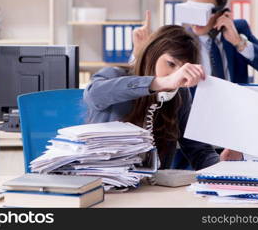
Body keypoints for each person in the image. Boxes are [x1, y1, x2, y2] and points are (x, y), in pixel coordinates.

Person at [133, 0, 258, 168]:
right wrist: (140, 52)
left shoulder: (238, 29)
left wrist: (239, 42)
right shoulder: (180, 40)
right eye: (191, 9)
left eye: (202, 11)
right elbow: (151, 76)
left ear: (220, 13)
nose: (195, 19)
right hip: (193, 133)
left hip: (233, 131)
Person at [84, 25, 238, 170]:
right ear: (153, 53)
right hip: (105, 183)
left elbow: (198, 150)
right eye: (171, 64)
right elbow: (93, 95)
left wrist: (221, 165)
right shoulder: (114, 75)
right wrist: (160, 82)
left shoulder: (180, 95)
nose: (176, 74)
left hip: (153, 188)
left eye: (182, 68)